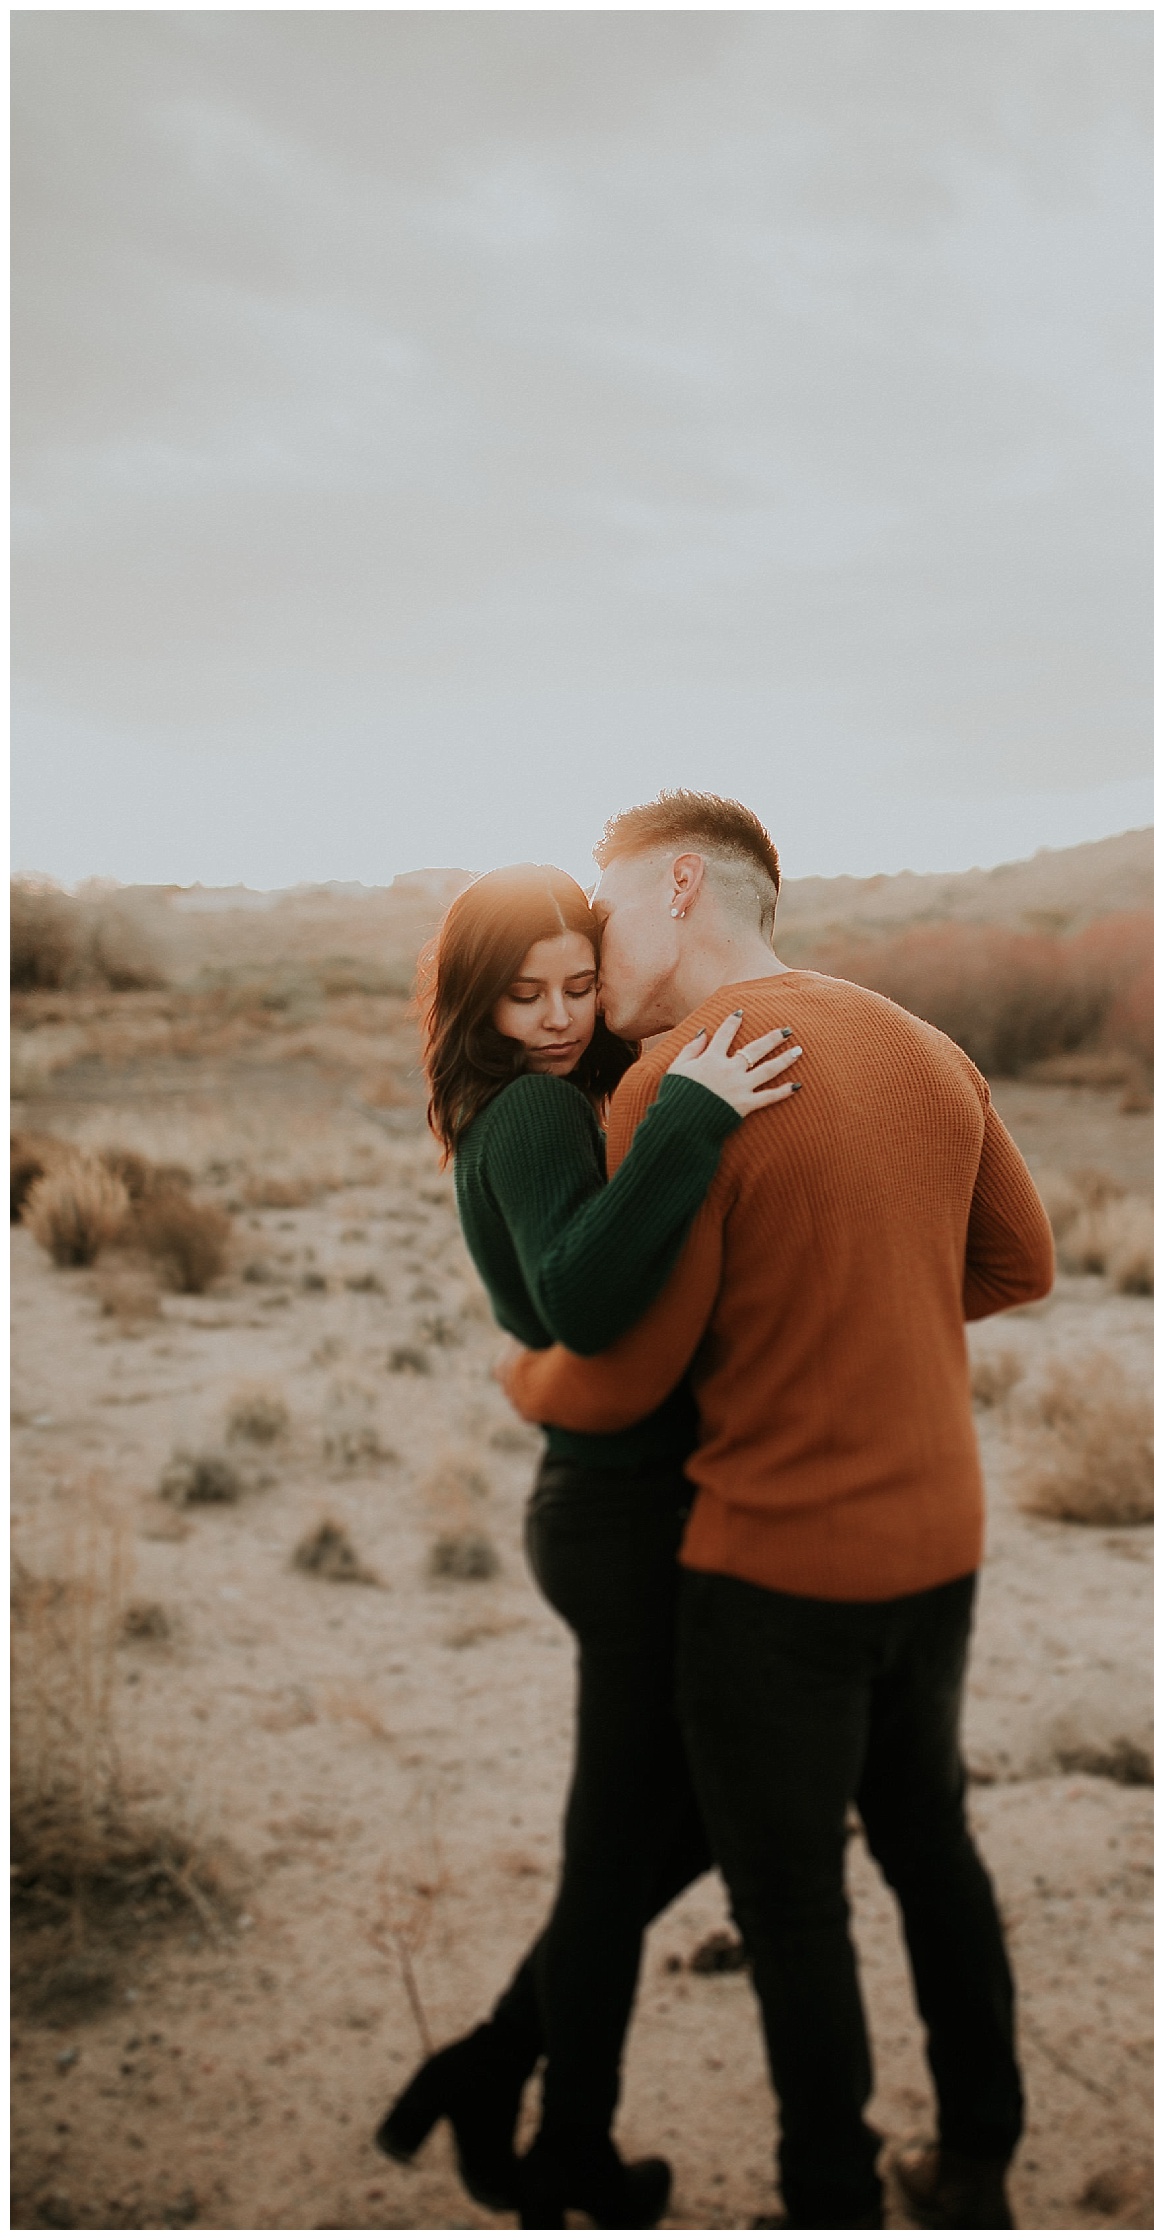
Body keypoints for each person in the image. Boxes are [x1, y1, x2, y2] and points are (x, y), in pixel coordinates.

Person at [503, 792, 1056, 2230]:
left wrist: (525, 1379)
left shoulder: (681, 1079)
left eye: (606, 908)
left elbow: (624, 1379)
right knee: (933, 1847)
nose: (589, 937)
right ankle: (979, 2167)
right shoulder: (930, 1048)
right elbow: (1018, 1263)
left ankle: (829, 2200)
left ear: (682, 886)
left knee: (795, 1898)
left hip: (775, 1567)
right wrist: (864, 1309)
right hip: (942, 1542)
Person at [375, 862, 801, 2229]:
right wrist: (688, 1117)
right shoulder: (535, 1113)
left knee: (674, 1830)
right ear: (475, 1001)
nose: (560, 1016)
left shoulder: (530, 1098)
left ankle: (498, 2064)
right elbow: (581, 1301)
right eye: (526, 994)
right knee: (657, 1839)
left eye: (578, 984)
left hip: (617, 1505)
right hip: (622, 1520)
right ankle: (564, 2144)